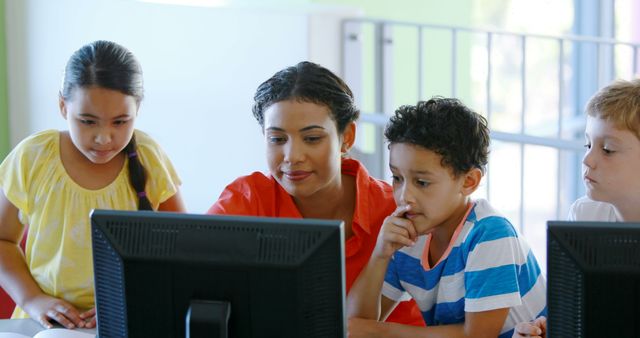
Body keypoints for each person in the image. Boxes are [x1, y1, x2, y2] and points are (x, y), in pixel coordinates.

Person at [208, 61, 425, 327]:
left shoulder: (400, 208)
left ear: (347, 137)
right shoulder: (246, 201)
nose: (292, 157)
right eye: (277, 139)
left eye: (311, 139)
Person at [0, 40, 185, 330]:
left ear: (138, 110)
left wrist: (130, 300)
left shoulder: (149, 158)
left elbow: (181, 249)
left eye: (120, 122)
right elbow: (2, 241)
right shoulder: (33, 156)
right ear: (63, 106)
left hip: (129, 319)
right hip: (43, 324)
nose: (104, 138)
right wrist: (33, 299)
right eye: (87, 121)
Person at [347, 98, 547, 338]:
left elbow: (477, 336)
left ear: (468, 181)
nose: (404, 196)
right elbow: (353, 325)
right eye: (397, 178)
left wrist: (379, 333)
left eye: (422, 182)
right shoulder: (408, 232)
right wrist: (380, 254)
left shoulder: (490, 233)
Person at [513, 78, 640, 338]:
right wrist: (550, 329)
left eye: (607, 149)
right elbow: (574, 312)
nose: (587, 160)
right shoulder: (585, 214)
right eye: (588, 145)